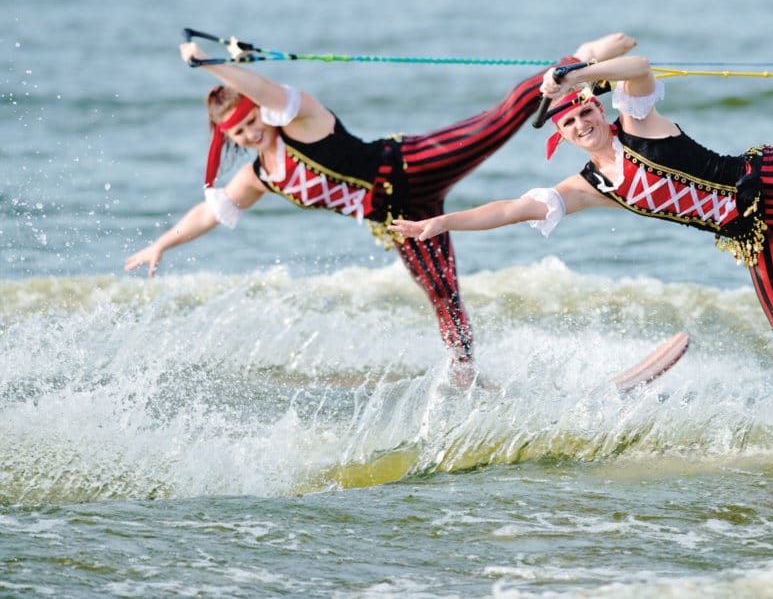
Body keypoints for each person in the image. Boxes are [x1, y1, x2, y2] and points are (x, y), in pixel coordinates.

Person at [389, 43, 773, 439]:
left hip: (772, 180)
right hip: (752, 234)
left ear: (598, 114)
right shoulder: (586, 185)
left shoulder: (637, 122)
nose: (582, 124)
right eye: (570, 123)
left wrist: (579, 71)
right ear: (562, 136)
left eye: (585, 113)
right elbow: (510, 207)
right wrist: (437, 224)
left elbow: (636, 64)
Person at [124, 32, 640, 387]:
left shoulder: (299, 119)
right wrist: (161, 243)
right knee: (443, 295)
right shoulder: (260, 176)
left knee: (502, 118)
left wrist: (211, 65)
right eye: (238, 132)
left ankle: (580, 61)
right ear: (230, 138)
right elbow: (209, 213)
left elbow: (263, 89)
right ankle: (467, 380)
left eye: (250, 120)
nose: (250, 132)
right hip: (398, 221)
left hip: (412, 165)